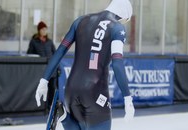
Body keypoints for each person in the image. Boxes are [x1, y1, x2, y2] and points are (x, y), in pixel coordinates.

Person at [35, 0, 135, 130]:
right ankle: (63, 115)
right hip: (95, 92)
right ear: (124, 14)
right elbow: (117, 63)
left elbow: (60, 51)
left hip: (71, 89)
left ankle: (63, 115)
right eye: (125, 20)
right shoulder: (117, 28)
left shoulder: (80, 21)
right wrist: (127, 98)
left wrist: (44, 81)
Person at [27, 21, 56, 110]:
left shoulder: (50, 42)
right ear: (39, 30)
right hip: (41, 70)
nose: (44, 31)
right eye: (42, 29)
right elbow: (29, 54)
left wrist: (57, 68)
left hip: (52, 70)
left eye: (45, 29)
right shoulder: (34, 41)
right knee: (42, 89)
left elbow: (55, 55)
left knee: (52, 88)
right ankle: (41, 107)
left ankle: (51, 107)